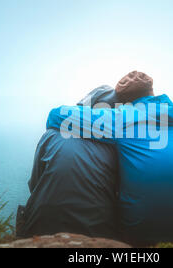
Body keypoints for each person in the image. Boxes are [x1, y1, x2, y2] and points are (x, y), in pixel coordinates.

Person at [46, 71, 173, 245]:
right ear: (152, 91)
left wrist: (91, 112)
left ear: (122, 102)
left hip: (138, 230)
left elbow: (56, 115)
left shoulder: (121, 119)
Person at [16, 85, 123, 239]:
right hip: (97, 231)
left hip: (39, 228)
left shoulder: (51, 135)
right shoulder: (117, 146)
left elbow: (34, 183)